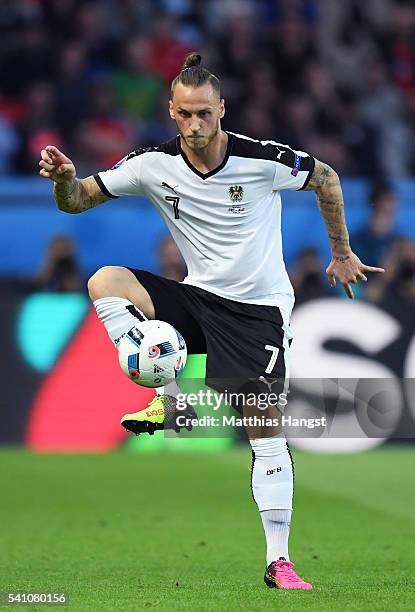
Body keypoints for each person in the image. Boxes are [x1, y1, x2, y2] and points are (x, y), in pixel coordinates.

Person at [39, 52, 384, 592]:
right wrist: (64, 178)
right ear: (171, 113)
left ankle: (279, 562)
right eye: (185, 115)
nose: (196, 125)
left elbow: (327, 178)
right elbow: (77, 200)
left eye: (205, 113)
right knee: (105, 280)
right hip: (199, 300)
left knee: (265, 434)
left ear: (222, 109)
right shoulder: (153, 163)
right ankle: (172, 399)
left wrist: (341, 251)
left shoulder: (262, 160)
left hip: (258, 314)